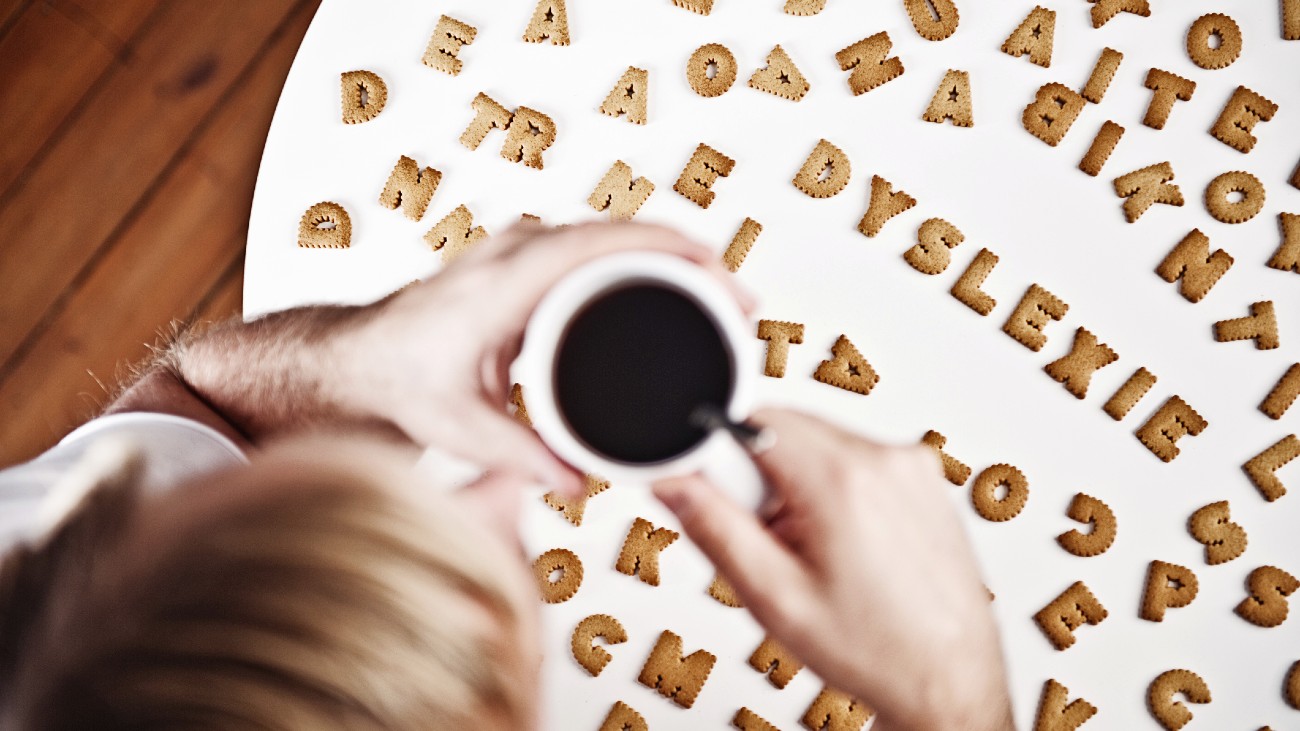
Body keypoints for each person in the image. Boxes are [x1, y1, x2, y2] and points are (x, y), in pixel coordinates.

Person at [0, 222, 1014, 730]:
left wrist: (354, 358)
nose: (509, 485)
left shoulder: (41, 594)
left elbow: (193, 408)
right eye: (482, 598)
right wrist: (954, 695)